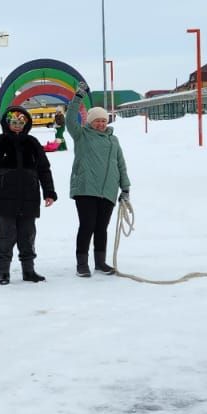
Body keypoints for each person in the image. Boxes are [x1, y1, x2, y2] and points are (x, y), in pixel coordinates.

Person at [0, 105, 57, 284]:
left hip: (29, 199)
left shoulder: (33, 143)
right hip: (3, 200)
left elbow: (44, 169)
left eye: (21, 123)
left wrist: (49, 192)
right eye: (13, 122)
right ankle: (3, 271)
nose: (17, 126)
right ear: (7, 123)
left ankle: (28, 270)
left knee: (27, 235)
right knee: (5, 235)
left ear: (26, 124)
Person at [64, 83, 129, 277]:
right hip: (86, 188)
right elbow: (69, 120)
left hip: (108, 189)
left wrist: (125, 188)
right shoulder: (81, 135)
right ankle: (82, 263)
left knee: (102, 228)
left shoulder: (113, 140)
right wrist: (78, 97)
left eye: (103, 120)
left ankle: (100, 262)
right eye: (97, 121)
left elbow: (121, 164)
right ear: (90, 122)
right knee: (87, 226)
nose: (101, 124)